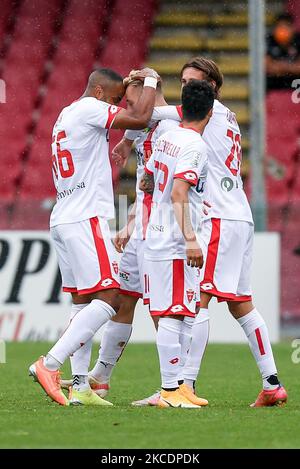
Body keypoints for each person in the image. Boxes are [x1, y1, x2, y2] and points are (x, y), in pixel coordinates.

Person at [133, 57, 288, 407]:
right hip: (238, 215)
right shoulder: (226, 116)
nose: (186, 86)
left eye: (193, 81)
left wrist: (145, 86)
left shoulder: (209, 112)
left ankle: (181, 386)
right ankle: (272, 382)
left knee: (196, 299)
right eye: (182, 80)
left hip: (217, 217)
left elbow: (150, 115)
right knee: (241, 304)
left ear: (211, 86)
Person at [29, 67, 160, 406]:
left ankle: (81, 386)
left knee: (82, 302)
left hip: (63, 217)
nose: (119, 106)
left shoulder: (65, 114)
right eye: (116, 99)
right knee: (110, 298)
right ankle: (50, 363)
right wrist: (150, 80)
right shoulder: (90, 109)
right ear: (100, 93)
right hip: (86, 217)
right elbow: (141, 117)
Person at [139, 79, 214, 408]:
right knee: (173, 315)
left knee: (182, 313)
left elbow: (147, 179)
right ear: (209, 113)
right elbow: (179, 192)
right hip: (174, 240)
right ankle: (170, 391)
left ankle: (180, 387)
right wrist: (191, 240)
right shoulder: (196, 146)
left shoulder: (166, 136)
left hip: (156, 233)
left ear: (182, 107)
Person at [266, 12, 300, 90]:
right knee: (262, 81)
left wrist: (280, 66)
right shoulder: (269, 40)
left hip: (295, 79)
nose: (282, 30)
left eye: (285, 26)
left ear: (292, 28)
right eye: (280, 26)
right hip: (275, 80)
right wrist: (291, 67)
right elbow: (268, 67)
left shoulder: (298, 40)